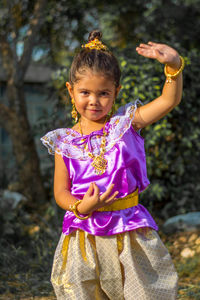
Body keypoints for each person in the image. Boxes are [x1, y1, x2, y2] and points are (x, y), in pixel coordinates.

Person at [41, 29, 184, 300]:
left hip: (129, 231)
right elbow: (60, 191)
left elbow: (169, 100)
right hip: (84, 235)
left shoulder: (126, 124)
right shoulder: (65, 143)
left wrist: (173, 65)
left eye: (103, 93)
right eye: (85, 92)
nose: (94, 101)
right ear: (71, 91)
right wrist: (80, 207)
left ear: (116, 91)